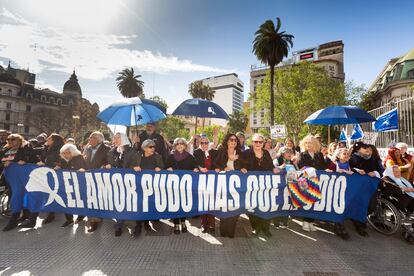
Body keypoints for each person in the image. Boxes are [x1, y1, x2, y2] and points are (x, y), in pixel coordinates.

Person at [241, 133, 280, 237]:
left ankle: (265, 228)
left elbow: (271, 166)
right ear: (252, 143)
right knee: (253, 208)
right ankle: (256, 228)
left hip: (266, 186)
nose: (258, 143)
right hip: (251, 187)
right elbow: (239, 164)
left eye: (260, 142)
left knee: (266, 206)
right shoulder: (246, 153)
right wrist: (242, 168)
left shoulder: (266, 153)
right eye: (255, 141)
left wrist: (274, 169)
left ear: (263, 143)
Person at [1, 134, 39, 232]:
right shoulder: (5, 150)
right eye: (8, 139)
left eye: (13, 139)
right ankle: (24, 216)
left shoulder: (25, 149)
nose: (10, 141)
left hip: (22, 178)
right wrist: (4, 164)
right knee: (14, 196)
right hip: (8, 179)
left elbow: (35, 160)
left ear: (19, 140)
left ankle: (14, 219)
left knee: (17, 197)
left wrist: (24, 161)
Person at [105, 132, 139, 237]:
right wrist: (107, 166)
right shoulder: (111, 152)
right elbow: (108, 162)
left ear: (123, 139)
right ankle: (119, 225)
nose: (115, 140)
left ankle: (136, 224)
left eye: (117, 138)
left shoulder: (132, 152)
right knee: (119, 202)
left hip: (128, 182)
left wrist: (134, 167)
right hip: (115, 182)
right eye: (114, 138)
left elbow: (136, 164)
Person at [213, 133, 244, 238]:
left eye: (235, 140)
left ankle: (231, 231)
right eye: (231, 139)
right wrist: (223, 167)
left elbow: (245, 165)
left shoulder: (240, 152)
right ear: (227, 141)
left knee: (235, 208)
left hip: (237, 186)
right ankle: (223, 230)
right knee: (224, 207)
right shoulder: (222, 151)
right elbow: (215, 163)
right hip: (223, 185)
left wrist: (242, 168)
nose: (233, 141)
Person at [166, 137, 199, 234]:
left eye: (182, 144)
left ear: (185, 146)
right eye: (177, 144)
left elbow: (195, 166)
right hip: (174, 186)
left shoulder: (190, 156)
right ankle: (176, 223)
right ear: (175, 146)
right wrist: (168, 168)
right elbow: (165, 167)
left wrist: (196, 169)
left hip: (185, 186)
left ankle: (183, 222)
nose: (180, 145)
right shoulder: (171, 157)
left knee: (184, 204)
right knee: (175, 204)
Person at [349, 142, 382, 236]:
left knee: (372, 206)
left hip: (371, 186)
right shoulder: (353, 158)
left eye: (367, 147)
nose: (367, 149)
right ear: (358, 149)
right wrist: (357, 170)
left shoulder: (372, 158)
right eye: (364, 148)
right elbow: (350, 169)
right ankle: (359, 224)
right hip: (359, 186)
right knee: (360, 204)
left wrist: (375, 173)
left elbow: (379, 170)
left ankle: (359, 218)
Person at [134, 139, 164, 237]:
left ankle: (146, 223)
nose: (153, 149)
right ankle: (138, 225)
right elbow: (129, 166)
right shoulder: (138, 155)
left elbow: (163, 167)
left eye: (154, 147)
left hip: (152, 186)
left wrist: (160, 168)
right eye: (150, 147)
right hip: (139, 185)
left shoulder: (158, 156)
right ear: (144, 148)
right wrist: (133, 167)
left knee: (148, 204)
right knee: (139, 204)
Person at [297, 134, 327, 232]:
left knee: (315, 200)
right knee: (306, 200)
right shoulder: (302, 155)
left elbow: (323, 167)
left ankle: (311, 221)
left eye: (310, 143)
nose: (308, 145)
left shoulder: (320, 155)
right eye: (306, 143)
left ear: (315, 144)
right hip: (306, 181)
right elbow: (301, 167)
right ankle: (305, 221)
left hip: (317, 181)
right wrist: (310, 169)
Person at [84, 131, 110, 232]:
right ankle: (92, 217)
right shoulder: (88, 149)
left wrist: (104, 166)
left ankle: (95, 221)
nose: (89, 139)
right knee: (91, 198)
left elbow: (110, 162)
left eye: (92, 137)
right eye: (90, 137)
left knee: (98, 198)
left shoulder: (107, 149)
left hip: (101, 178)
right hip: (89, 178)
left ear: (99, 139)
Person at [57, 143, 88, 228]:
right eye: (64, 153)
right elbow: (61, 168)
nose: (66, 155)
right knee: (66, 201)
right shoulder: (63, 160)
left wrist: (83, 169)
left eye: (68, 152)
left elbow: (85, 168)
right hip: (67, 184)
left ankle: (81, 215)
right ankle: (69, 219)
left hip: (79, 184)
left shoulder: (79, 158)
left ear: (73, 152)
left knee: (80, 200)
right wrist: (57, 168)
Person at [193, 136, 218, 233]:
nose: (204, 145)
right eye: (202, 143)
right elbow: (194, 163)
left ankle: (211, 224)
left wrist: (217, 168)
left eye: (206, 143)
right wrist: (199, 168)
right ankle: (204, 224)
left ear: (208, 143)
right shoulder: (196, 152)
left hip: (212, 181)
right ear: (199, 144)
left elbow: (218, 163)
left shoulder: (214, 152)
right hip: (201, 181)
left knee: (212, 202)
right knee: (203, 202)